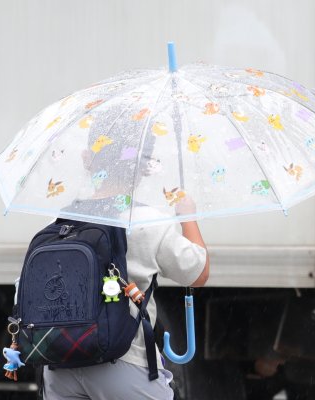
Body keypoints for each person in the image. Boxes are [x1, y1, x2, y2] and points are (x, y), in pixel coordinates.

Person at [42, 110, 210, 400]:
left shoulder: (61, 224)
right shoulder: (148, 222)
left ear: (87, 158)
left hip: (60, 366)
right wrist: (188, 217)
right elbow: (197, 274)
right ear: (144, 166)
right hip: (123, 362)